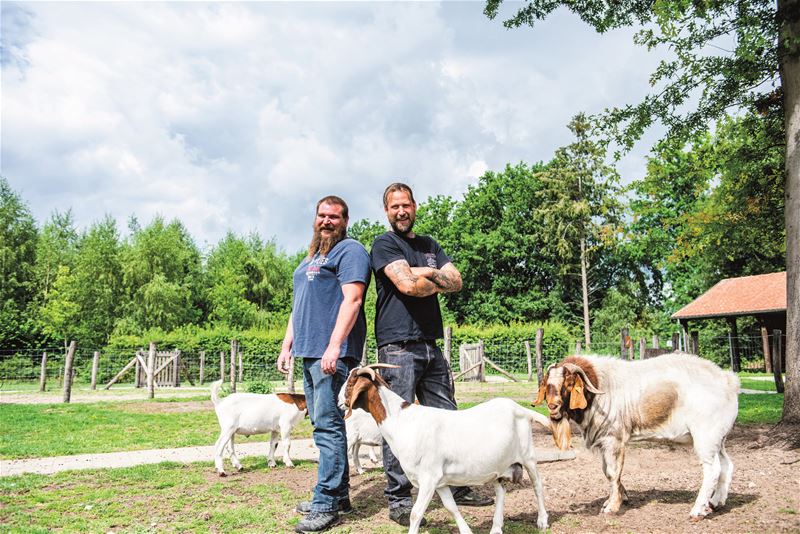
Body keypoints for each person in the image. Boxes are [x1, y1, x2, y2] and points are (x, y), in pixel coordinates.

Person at [370, 182, 493, 527]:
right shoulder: (383, 244)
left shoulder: (428, 245)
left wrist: (421, 271)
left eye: (406, 205)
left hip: (430, 345)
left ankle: (459, 485)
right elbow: (406, 285)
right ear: (387, 211)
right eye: (394, 207)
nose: (401, 212)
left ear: (415, 206)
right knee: (396, 424)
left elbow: (457, 281)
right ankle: (398, 498)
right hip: (397, 346)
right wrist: (426, 277)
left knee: (448, 417)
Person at [277, 195, 371, 533]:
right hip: (308, 351)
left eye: (334, 216)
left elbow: (354, 298)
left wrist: (335, 346)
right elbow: (298, 305)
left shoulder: (351, 251)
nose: (326, 221)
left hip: (331, 354)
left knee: (328, 428)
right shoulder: (312, 258)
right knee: (322, 423)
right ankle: (339, 495)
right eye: (321, 215)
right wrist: (287, 344)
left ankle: (325, 502)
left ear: (345, 220)